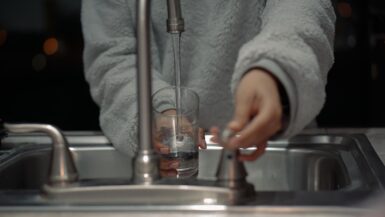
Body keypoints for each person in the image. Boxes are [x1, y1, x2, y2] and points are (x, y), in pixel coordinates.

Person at [81, 1, 335, 161]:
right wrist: (153, 112)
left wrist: (272, 70)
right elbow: (112, 57)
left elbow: (303, 9)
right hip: (164, 165)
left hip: (277, 154)